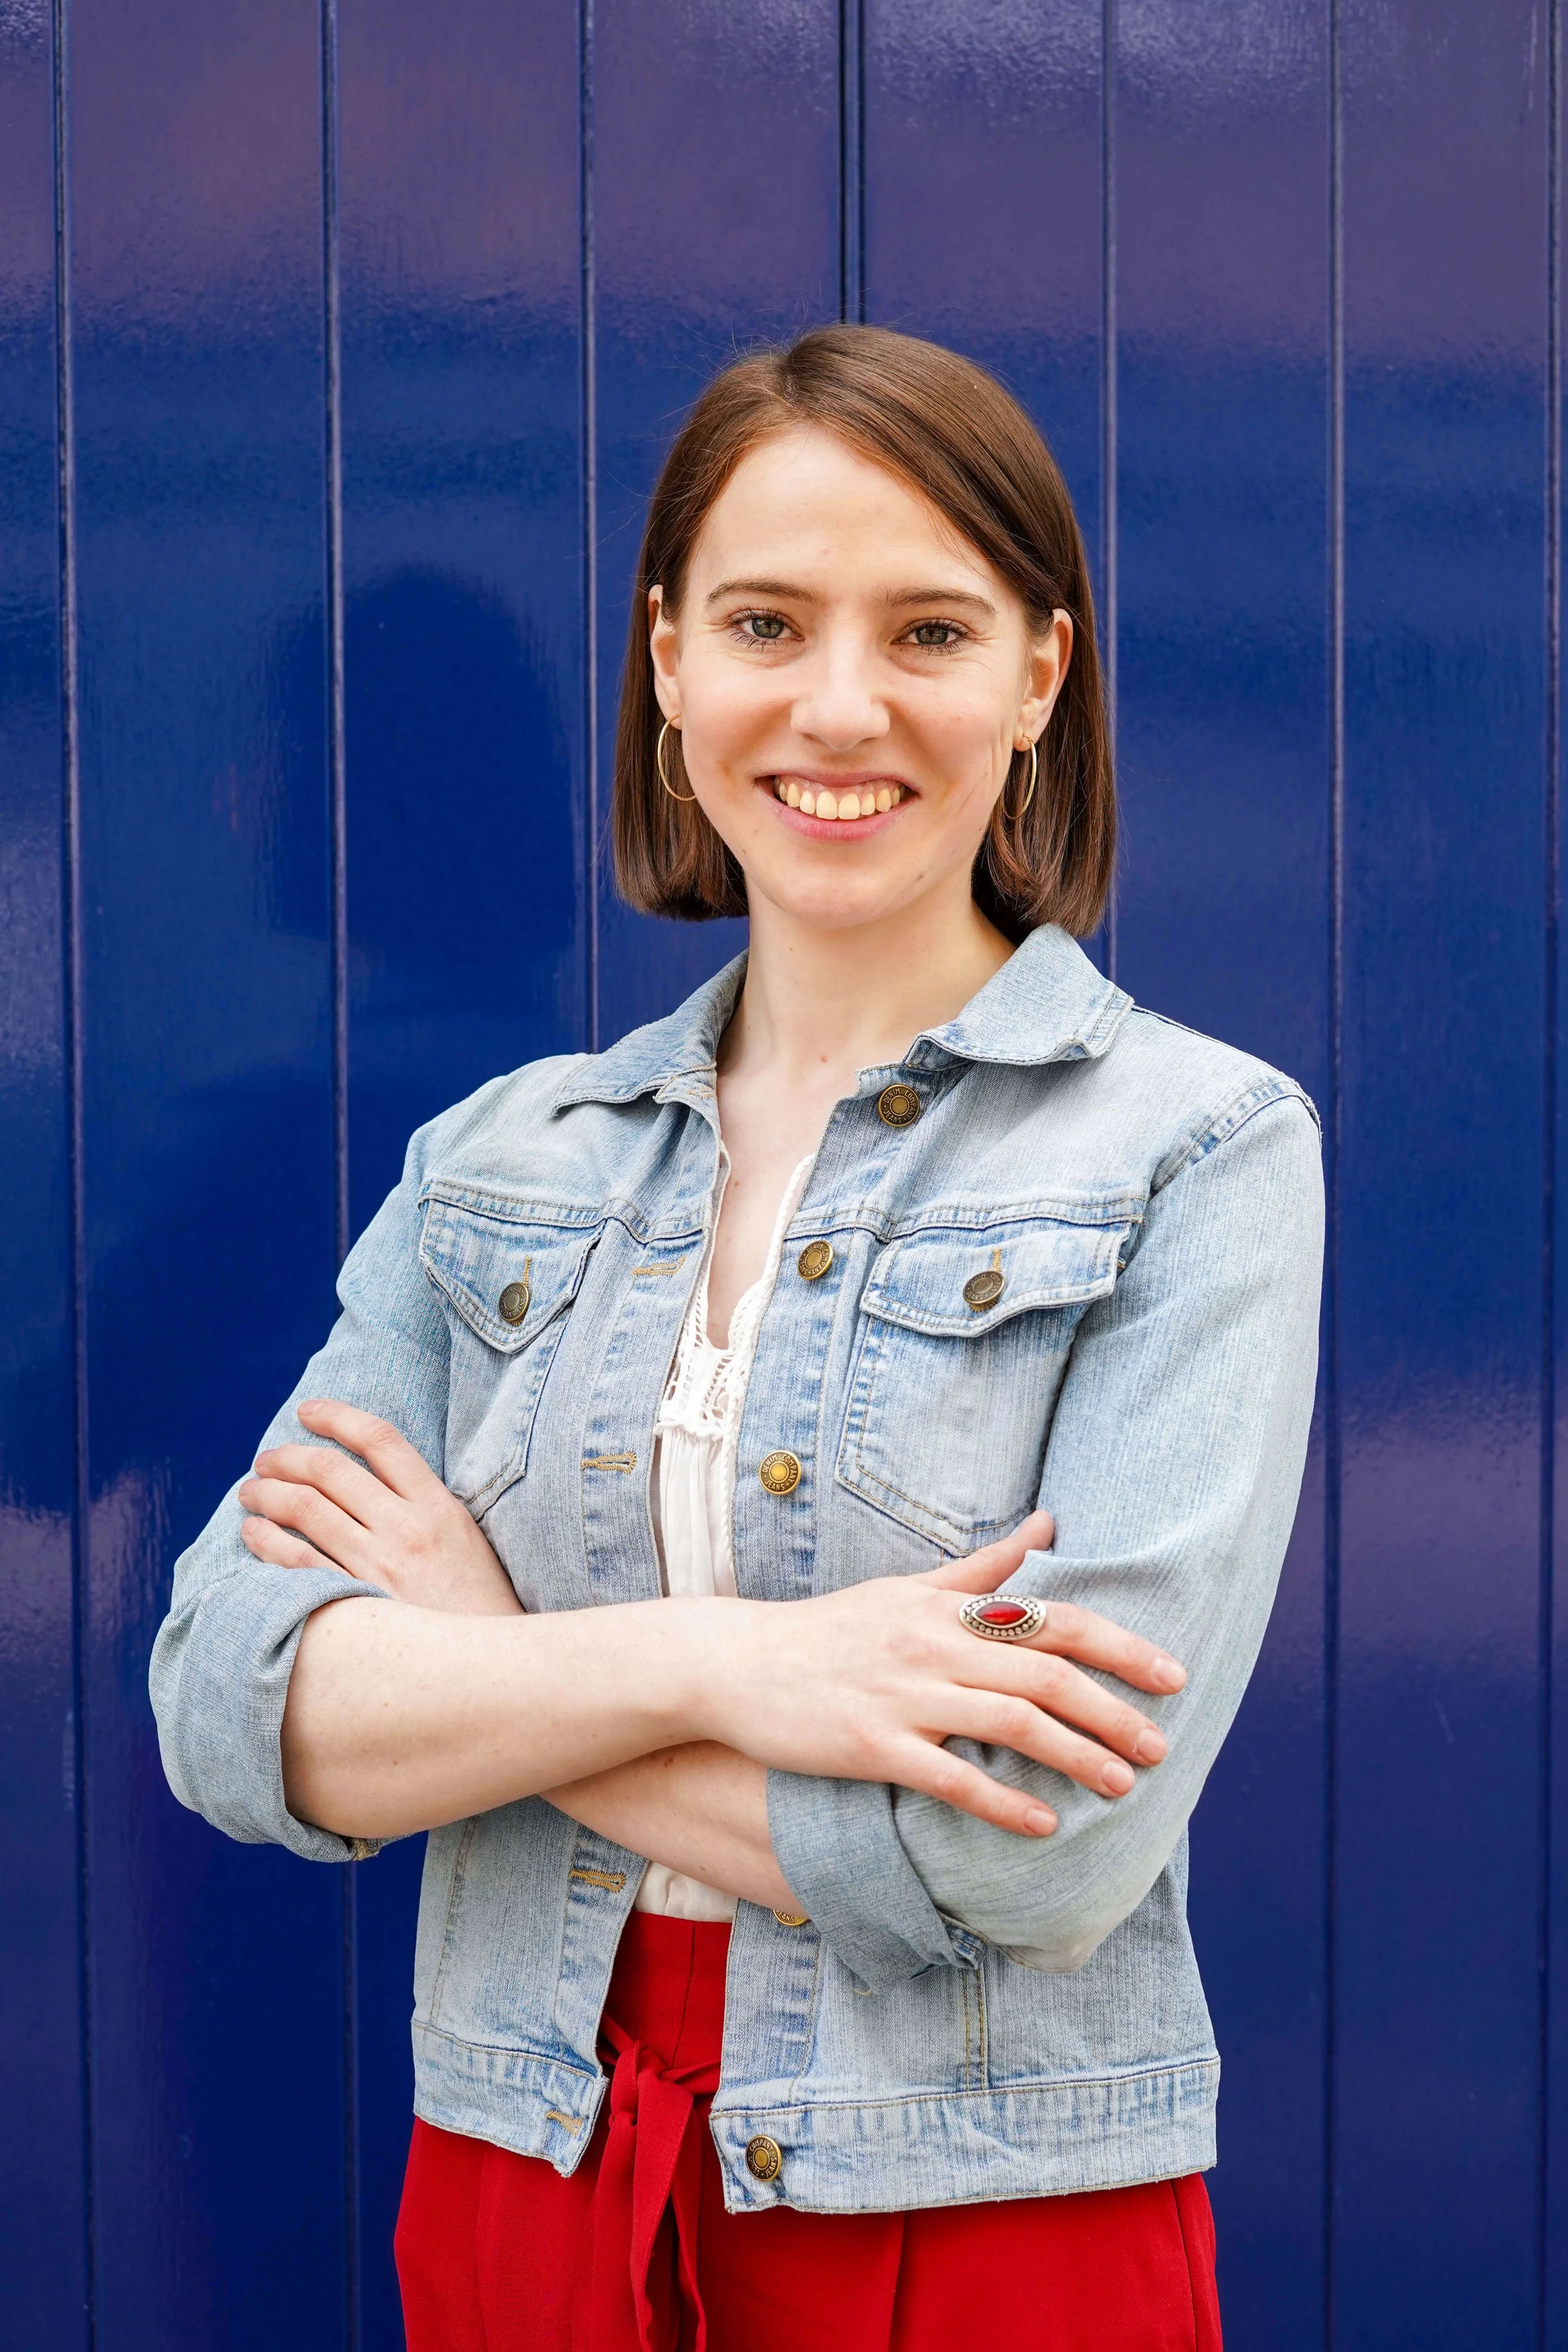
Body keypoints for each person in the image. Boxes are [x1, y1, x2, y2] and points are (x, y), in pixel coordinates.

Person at [150, 325, 1322, 2351]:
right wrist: (743, 1665)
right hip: (531, 2170)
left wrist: (491, 1680)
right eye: (766, 621)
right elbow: (231, 1708)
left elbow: (1035, 1852)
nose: (839, 704)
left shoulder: (1195, 1149)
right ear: (669, 658)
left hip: (979, 2206)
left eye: (930, 629)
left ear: (1041, 671)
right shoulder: (495, 1164)